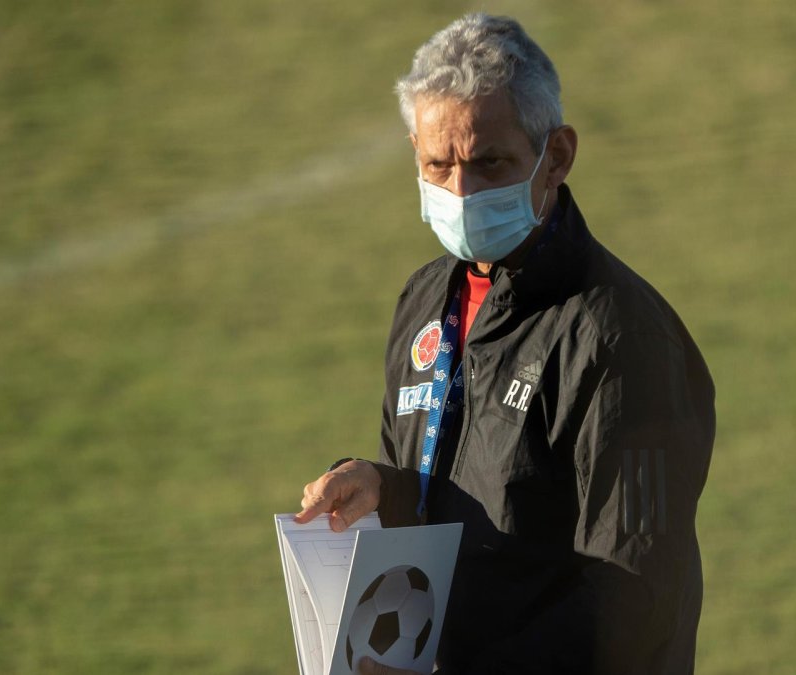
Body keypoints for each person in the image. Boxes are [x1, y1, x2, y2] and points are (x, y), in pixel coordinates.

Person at [295, 13, 715, 675]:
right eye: (439, 163)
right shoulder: (424, 302)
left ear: (557, 155)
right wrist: (386, 487)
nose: (461, 192)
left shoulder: (622, 336)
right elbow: (474, 504)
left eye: (490, 162)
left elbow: (635, 599)